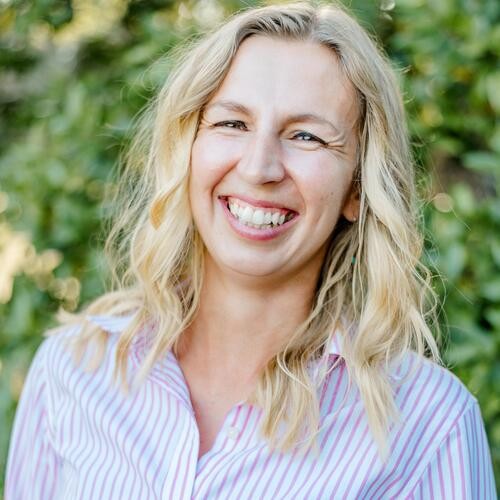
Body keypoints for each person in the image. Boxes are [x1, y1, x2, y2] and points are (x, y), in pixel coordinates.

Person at [5, 2, 496, 499]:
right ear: (188, 148)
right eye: (232, 124)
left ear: (357, 189)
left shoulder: (430, 428)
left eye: (306, 136)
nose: (259, 168)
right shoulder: (74, 370)